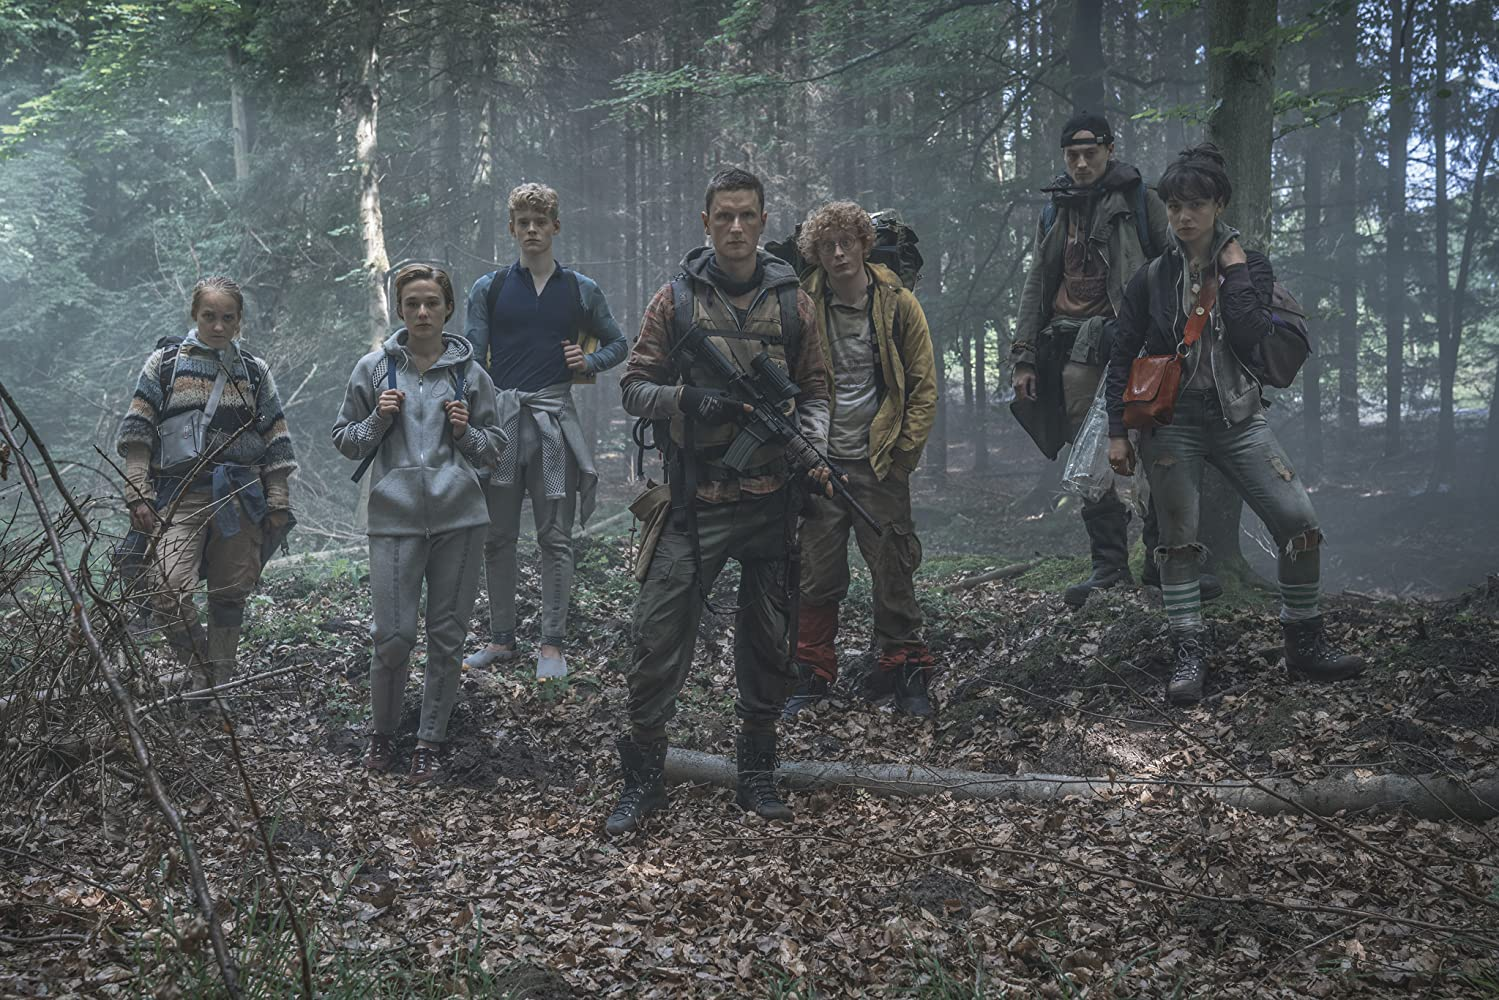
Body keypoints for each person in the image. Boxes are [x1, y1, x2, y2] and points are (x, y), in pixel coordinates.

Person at [607, 167, 834, 834]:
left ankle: (756, 774)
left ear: (763, 222)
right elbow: (633, 387)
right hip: (693, 501)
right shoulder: (674, 301)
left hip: (771, 501)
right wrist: (688, 399)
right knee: (655, 640)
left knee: (768, 644)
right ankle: (643, 780)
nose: (736, 228)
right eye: (724, 216)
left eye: (747, 216)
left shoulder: (794, 305)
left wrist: (812, 452)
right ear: (706, 223)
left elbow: (816, 390)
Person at [1104, 144, 1365, 705]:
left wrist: (1236, 267)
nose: (1184, 217)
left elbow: (1249, 333)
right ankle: (1188, 652)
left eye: (1196, 205)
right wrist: (1116, 431)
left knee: (1299, 521)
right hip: (1171, 423)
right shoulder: (1152, 277)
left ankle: (1304, 642)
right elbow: (1121, 354)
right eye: (1175, 206)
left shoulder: (1252, 265)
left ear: (1218, 205)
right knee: (1177, 543)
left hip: (1240, 418)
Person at [1009, 111, 1220, 608]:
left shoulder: (1142, 200)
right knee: (1090, 458)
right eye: (1073, 155)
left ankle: (1161, 565)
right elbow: (1038, 281)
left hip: (1139, 349)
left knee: (1153, 450)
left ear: (1109, 150)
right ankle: (1107, 568)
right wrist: (1024, 356)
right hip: (1073, 350)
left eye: (1090, 153)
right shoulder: (1056, 209)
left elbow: (1174, 263)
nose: (1081, 163)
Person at [333, 263, 507, 782]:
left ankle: (430, 741)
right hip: (394, 519)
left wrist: (466, 433)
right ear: (400, 310)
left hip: (461, 519)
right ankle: (383, 734)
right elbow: (345, 439)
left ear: (448, 308)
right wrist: (377, 419)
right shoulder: (373, 369)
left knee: (447, 637)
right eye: (412, 303)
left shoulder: (471, 375)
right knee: (392, 635)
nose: (423, 312)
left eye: (432, 302)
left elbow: (494, 449)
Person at [461, 183, 628, 680]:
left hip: (555, 422)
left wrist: (589, 361)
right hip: (502, 424)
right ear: (511, 229)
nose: (532, 229)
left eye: (540, 221)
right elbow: (472, 359)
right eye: (523, 222)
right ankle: (501, 640)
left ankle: (552, 646)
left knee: (555, 537)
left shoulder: (580, 289)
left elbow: (617, 343)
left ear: (556, 226)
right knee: (497, 537)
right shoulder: (489, 288)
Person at [781, 201, 939, 719]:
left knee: (893, 566)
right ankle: (812, 673)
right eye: (827, 245)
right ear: (816, 253)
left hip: (879, 460)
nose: (839, 253)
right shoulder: (802, 304)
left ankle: (905, 669)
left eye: (847, 242)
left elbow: (923, 388)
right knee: (816, 574)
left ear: (864, 244)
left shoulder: (898, 304)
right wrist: (802, 455)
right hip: (820, 463)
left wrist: (902, 457)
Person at [115, 276, 296, 707]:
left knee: (230, 592)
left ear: (239, 320)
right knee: (166, 589)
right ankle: (203, 674)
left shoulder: (254, 371)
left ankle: (220, 686)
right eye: (209, 316)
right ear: (195, 315)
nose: (218, 325)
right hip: (179, 495)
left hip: (241, 495)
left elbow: (275, 437)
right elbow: (138, 429)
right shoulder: (165, 364)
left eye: (227, 317)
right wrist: (138, 491)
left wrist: (277, 502)